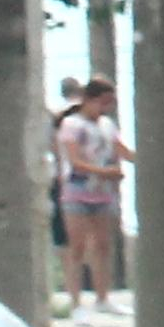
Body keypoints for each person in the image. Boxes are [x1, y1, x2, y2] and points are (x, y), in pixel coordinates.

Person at [49, 79, 124, 308]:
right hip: (76, 190)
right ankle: (75, 302)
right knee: (77, 247)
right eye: (103, 102)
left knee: (103, 245)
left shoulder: (107, 125)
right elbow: (75, 161)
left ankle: (103, 298)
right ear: (90, 100)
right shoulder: (71, 124)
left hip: (102, 193)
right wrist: (106, 172)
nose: (106, 108)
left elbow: (120, 149)